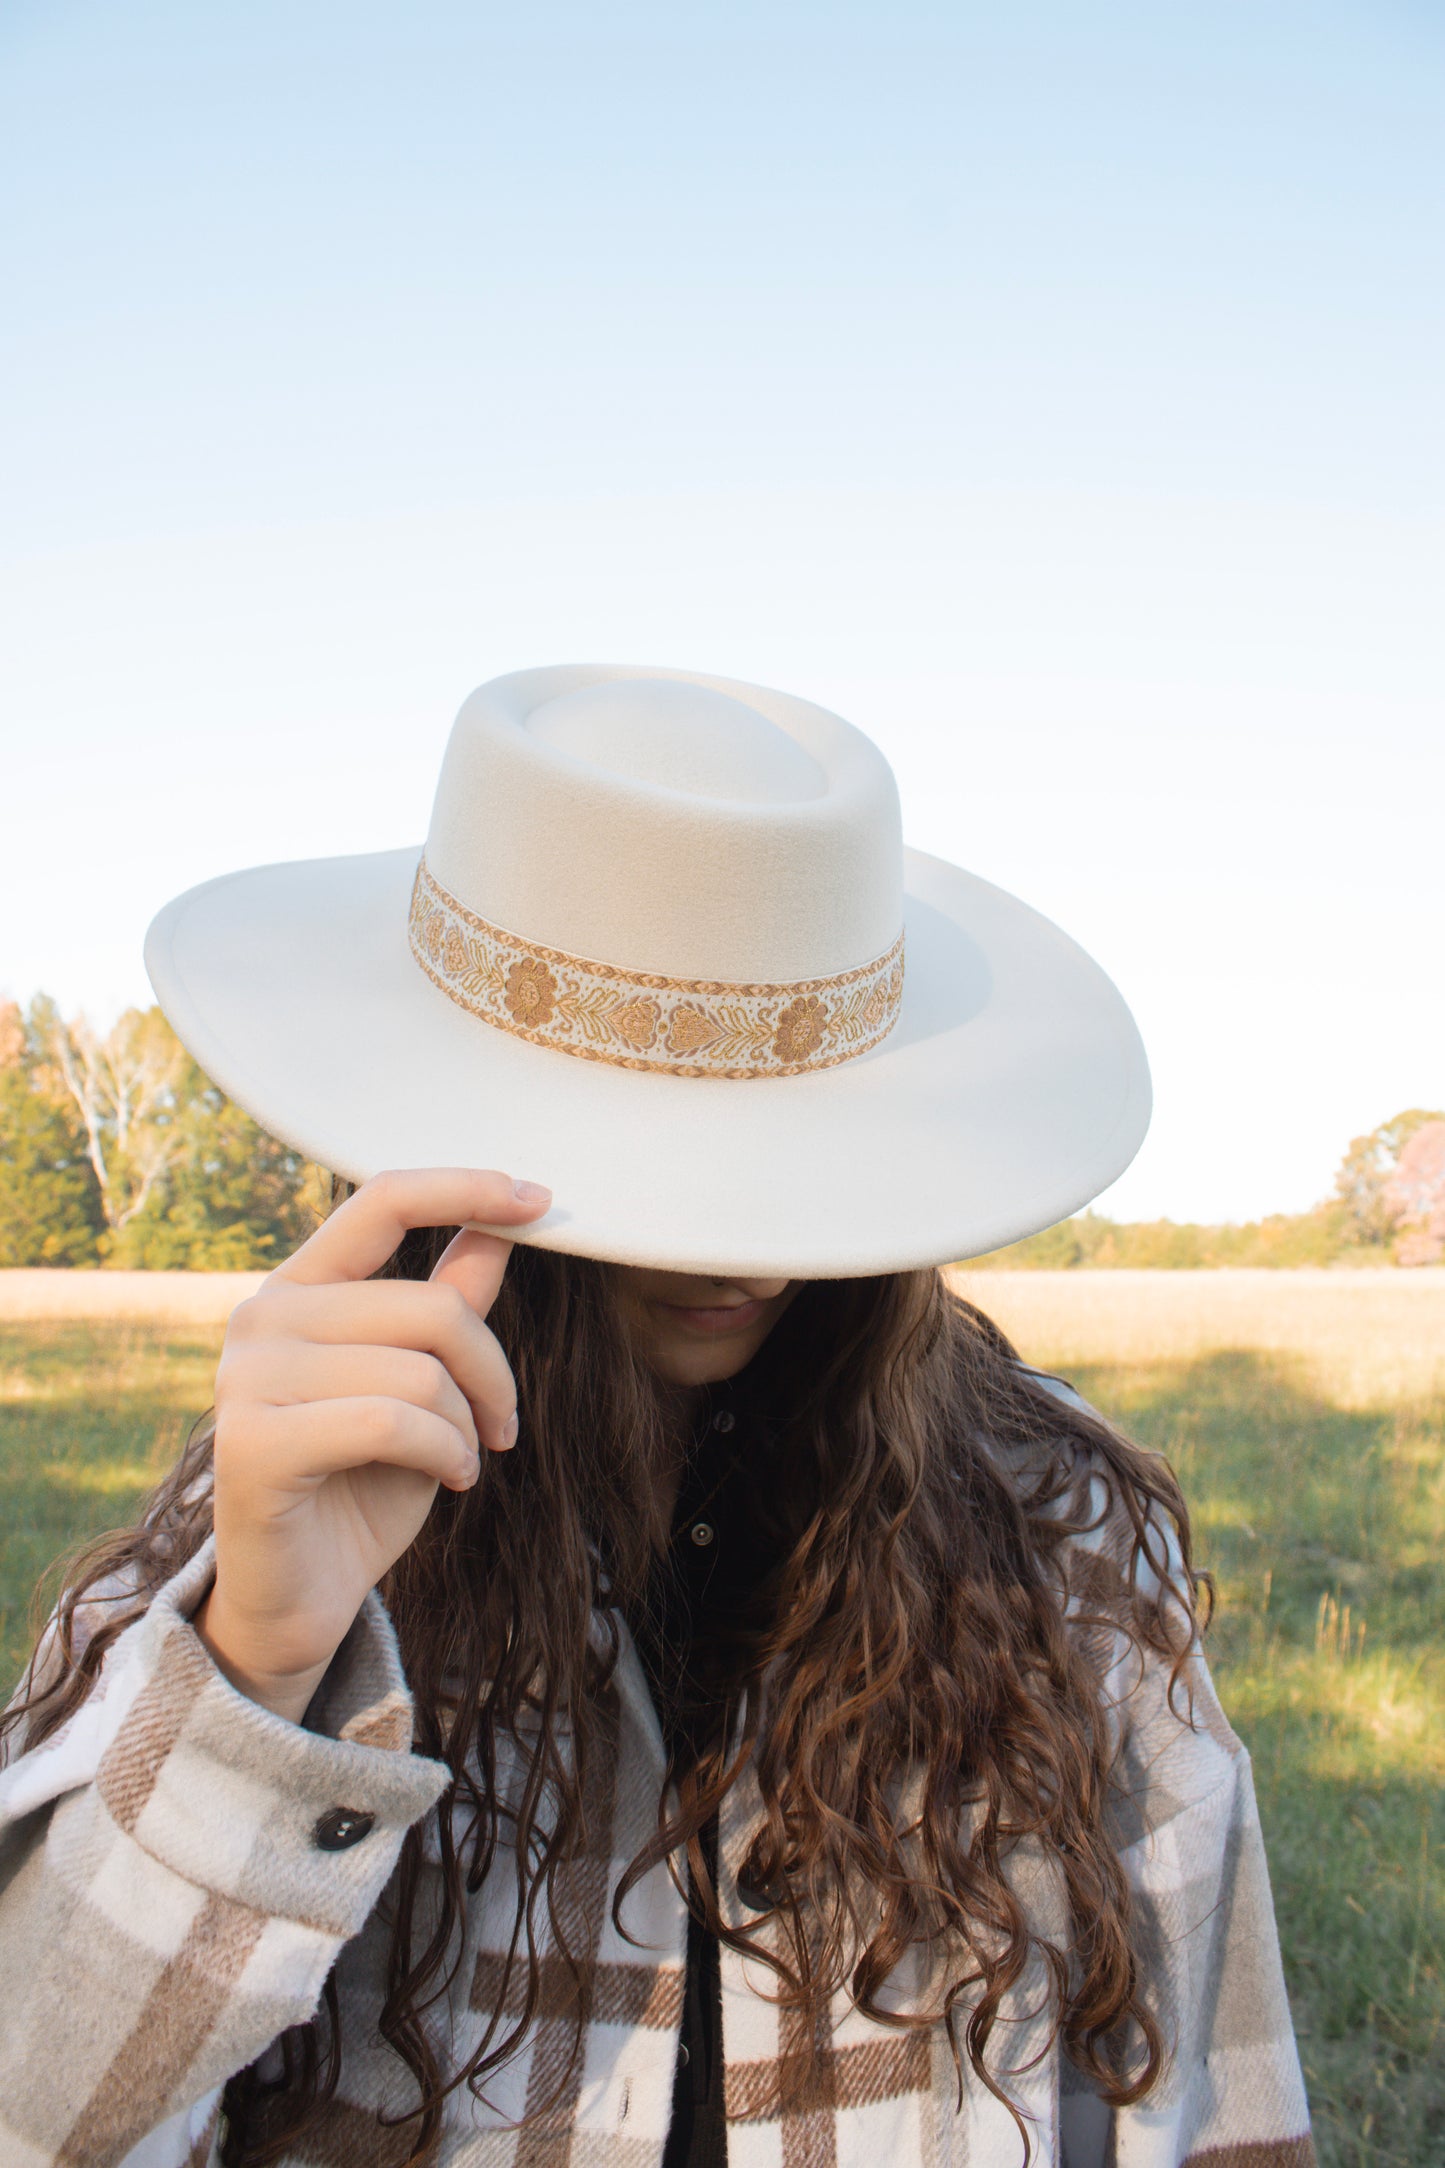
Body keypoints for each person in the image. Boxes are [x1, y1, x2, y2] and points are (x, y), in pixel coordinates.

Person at [0, 668, 1313, 2168]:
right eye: (661, 1178)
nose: (748, 1256)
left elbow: (1211, 2097)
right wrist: (258, 1667)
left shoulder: (1054, 1530)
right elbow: (41, 2116)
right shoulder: (276, 1500)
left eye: (792, 1174)